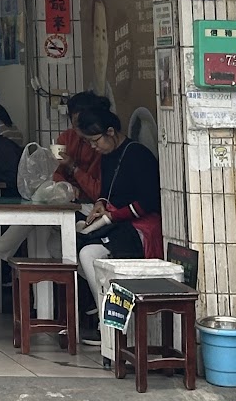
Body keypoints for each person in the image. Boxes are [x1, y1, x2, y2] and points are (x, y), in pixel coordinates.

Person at [75, 107, 162, 329]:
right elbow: (107, 191)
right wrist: (100, 204)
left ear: (111, 131)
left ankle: (108, 323)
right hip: (116, 221)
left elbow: (149, 201)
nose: (94, 147)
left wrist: (113, 216)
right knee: (70, 245)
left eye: (95, 141)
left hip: (140, 226)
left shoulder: (138, 155)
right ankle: (109, 310)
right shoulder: (107, 155)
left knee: (88, 253)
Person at [54, 90, 106, 202]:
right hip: (68, 201)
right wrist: (65, 187)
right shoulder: (65, 138)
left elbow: (98, 192)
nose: (81, 131)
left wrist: (73, 167)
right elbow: (53, 173)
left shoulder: (103, 144)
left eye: (85, 124)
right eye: (77, 125)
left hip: (93, 203)